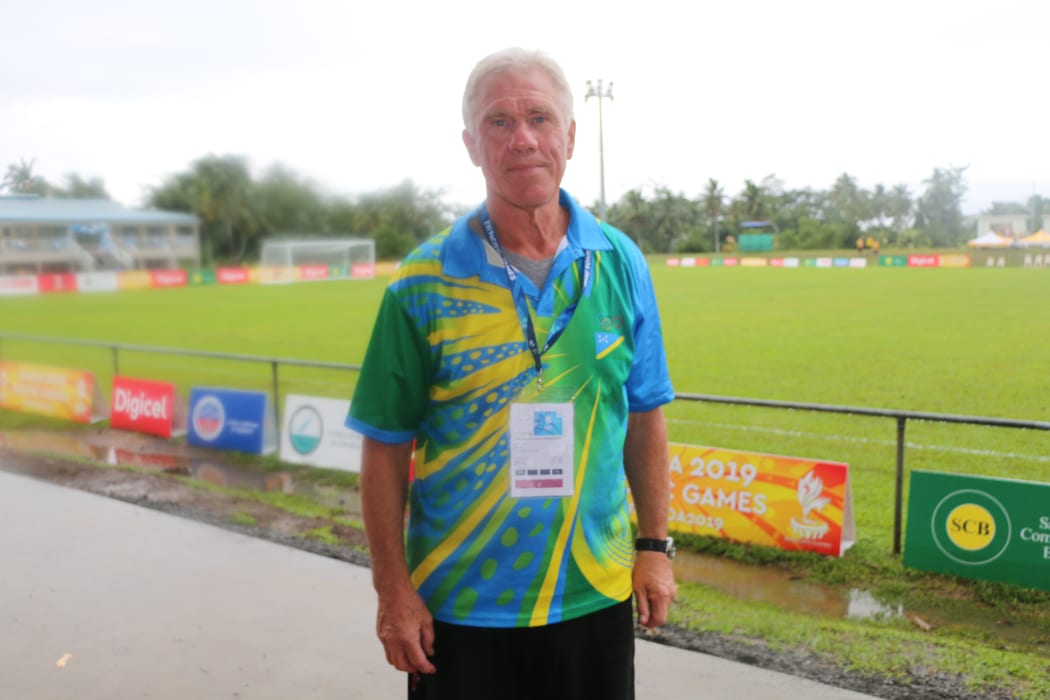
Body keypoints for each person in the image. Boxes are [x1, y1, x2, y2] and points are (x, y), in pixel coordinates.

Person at [346, 47, 676, 700]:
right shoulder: (422, 282)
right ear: (471, 144)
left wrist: (655, 547)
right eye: (499, 122)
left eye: (539, 118)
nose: (522, 138)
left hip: (594, 593)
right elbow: (385, 446)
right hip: (459, 609)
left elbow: (644, 414)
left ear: (571, 136)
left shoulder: (619, 261)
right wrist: (392, 590)